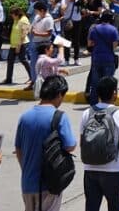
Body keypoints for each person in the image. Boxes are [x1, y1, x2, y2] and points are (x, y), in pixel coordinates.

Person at [15, 75, 77, 211]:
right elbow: (70, 145)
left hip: (27, 183)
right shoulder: (59, 116)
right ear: (60, 94)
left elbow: (18, 149)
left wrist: (27, 169)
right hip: (48, 184)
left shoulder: (24, 117)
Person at [81, 76, 119, 211]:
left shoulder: (87, 113)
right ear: (114, 93)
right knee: (114, 206)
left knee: (91, 207)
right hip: (112, 170)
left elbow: (82, 142)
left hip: (90, 169)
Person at [86, 11, 119, 105]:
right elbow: (115, 45)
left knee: (95, 83)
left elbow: (89, 43)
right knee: (108, 83)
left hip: (96, 58)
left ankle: (93, 104)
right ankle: (107, 103)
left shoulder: (94, 29)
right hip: (108, 59)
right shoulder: (113, 30)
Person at [4, 6, 33, 86]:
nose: (12, 16)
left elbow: (24, 34)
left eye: (13, 14)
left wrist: (19, 46)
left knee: (23, 60)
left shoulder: (24, 20)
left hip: (21, 44)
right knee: (10, 61)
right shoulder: (16, 19)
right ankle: (8, 79)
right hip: (13, 44)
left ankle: (32, 77)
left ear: (17, 14)